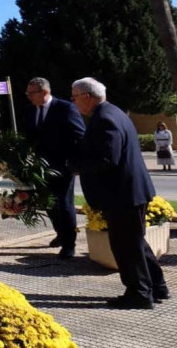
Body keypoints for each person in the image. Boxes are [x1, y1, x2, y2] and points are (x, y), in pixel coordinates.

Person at [72, 77, 168, 310]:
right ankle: (157, 285)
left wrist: (75, 166)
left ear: (87, 97)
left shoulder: (104, 118)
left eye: (74, 97)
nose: (73, 102)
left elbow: (107, 158)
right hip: (129, 192)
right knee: (135, 242)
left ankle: (139, 294)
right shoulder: (113, 112)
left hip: (122, 194)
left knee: (126, 246)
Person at [24, 77, 86, 259]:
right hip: (39, 169)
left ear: (44, 92)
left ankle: (69, 244)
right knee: (49, 203)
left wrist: (75, 162)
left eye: (31, 93)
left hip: (63, 167)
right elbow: (29, 138)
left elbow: (80, 135)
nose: (28, 97)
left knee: (64, 204)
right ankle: (60, 233)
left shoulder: (65, 108)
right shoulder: (29, 111)